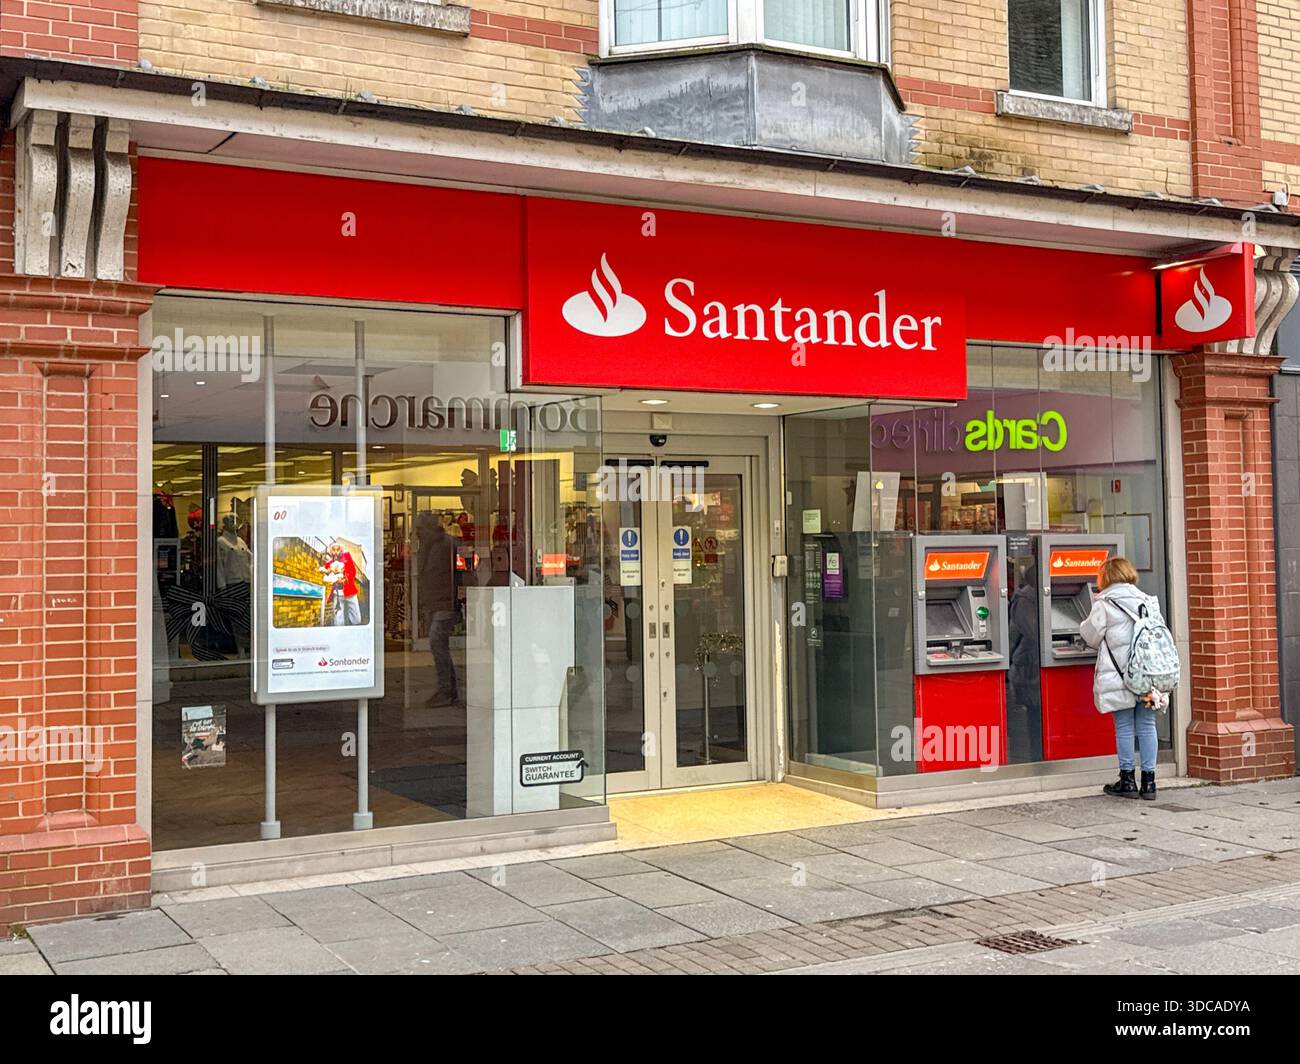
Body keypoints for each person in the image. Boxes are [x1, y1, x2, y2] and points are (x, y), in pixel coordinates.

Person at [1080, 556, 1165, 801]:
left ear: (1106, 577)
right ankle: (1149, 783)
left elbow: (1091, 636)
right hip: (1148, 677)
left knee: (1125, 726)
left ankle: (1127, 780)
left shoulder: (1104, 603)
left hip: (1121, 677)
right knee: (1148, 725)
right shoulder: (1148, 601)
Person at [416, 512, 459, 707]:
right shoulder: (428, 546)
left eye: (420, 528)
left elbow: (459, 574)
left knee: (437, 642)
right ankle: (448, 689)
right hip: (435, 601)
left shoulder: (446, 545)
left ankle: (446, 689)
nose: (417, 533)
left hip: (445, 602)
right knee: (439, 645)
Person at [323, 540, 361, 626]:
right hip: (338, 594)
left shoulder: (347, 556)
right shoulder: (328, 564)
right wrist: (330, 576)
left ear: (341, 550)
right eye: (333, 550)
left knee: (357, 618)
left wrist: (344, 579)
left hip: (350, 592)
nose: (336, 552)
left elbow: (353, 571)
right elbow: (327, 576)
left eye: (338, 549)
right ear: (331, 551)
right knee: (338, 620)